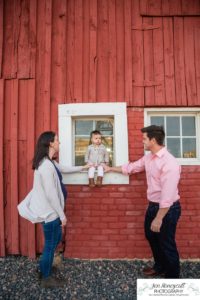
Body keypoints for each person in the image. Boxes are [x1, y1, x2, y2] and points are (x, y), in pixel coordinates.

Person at [104, 125, 181, 278]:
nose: (142, 141)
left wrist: (159, 218)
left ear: (153, 140)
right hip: (153, 206)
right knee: (151, 236)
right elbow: (132, 167)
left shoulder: (169, 163)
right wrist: (110, 169)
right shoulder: (149, 158)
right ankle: (160, 267)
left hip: (167, 209)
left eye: (144, 138)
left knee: (167, 243)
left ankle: (172, 278)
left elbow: (167, 196)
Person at [18, 131, 89, 288]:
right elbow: (51, 195)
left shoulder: (49, 162)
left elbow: (64, 168)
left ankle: (46, 266)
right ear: (50, 143)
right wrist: (62, 215)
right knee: (51, 244)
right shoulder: (45, 167)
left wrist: (83, 167)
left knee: (54, 240)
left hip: (52, 211)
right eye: (57, 140)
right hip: (50, 212)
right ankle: (46, 277)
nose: (59, 142)